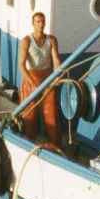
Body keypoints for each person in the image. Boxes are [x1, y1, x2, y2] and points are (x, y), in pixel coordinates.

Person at [18, 12, 62, 146]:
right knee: (29, 113)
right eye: (38, 22)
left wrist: (57, 76)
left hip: (47, 77)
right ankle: (29, 141)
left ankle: (54, 143)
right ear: (33, 24)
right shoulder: (26, 41)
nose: (41, 24)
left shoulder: (52, 40)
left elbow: (56, 61)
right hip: (32, 78)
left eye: (42, 21)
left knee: (51, 112)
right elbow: (21, 65)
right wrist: (32, 83)